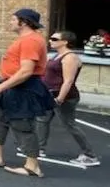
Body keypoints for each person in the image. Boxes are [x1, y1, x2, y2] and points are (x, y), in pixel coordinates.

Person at [0, 9, 56, 178]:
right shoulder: (25, 39)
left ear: (23, 22)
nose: (10, 22)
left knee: (22, 125)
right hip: (12, 86)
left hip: (23, 88)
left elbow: (26, 71)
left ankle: (33, 166)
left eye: (13, 19)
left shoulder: (31, 40)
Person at [36, 31, 99, 166]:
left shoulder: (70, 58)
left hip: (64, 97)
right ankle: (39, 148)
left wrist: (59, 99)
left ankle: (90, 155)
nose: (50, 40)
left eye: (54, 39)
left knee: (70, 124)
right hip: (50, 94)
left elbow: (68, 81)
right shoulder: (56, 56)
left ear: (65, 42)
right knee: (42, 119)